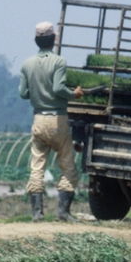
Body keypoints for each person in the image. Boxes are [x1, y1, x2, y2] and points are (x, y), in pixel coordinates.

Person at [19, 21, 84, 222]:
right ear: (54, 40)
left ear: (36, 40)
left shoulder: (27, 64)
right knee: (67, 165)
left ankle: (37, 214)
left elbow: (23, 93)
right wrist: (74, 94)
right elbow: (58, 88)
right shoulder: (59, 61)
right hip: (57, 120)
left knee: (37, 166)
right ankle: (62, 212)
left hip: (38, 119)